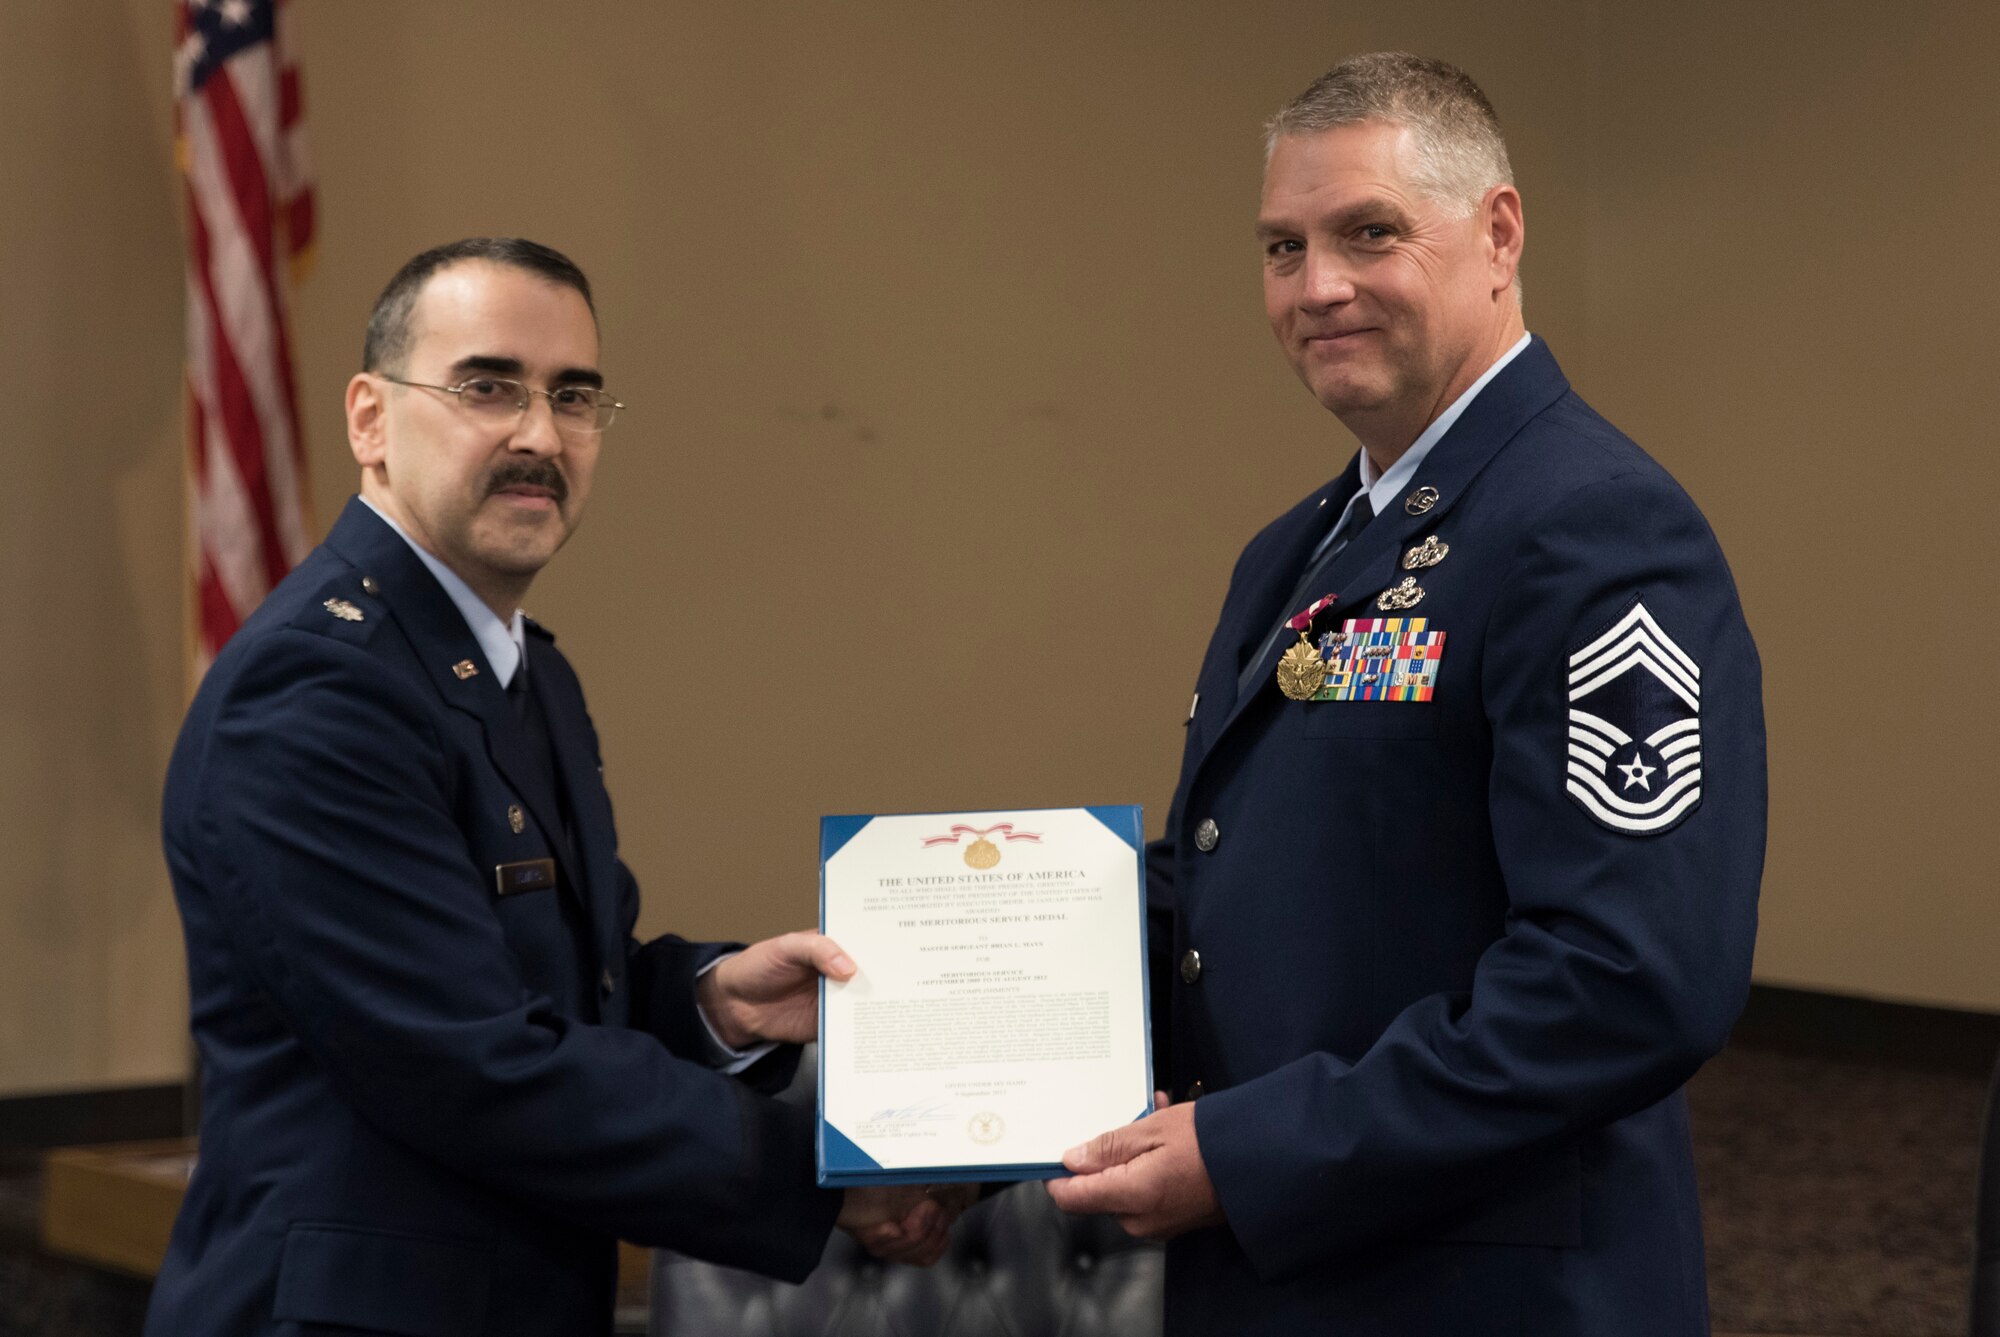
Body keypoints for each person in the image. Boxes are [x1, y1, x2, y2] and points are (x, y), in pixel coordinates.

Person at [1046, 54, 1765, 1336]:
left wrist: (1259, 1150)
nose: (1315, 286)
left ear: (1497, 234)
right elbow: (1237, 883)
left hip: (1484, 1286)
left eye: (1366, 232)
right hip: (1296, 1270)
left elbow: (1623, 980)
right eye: (1280, 248)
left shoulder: (1594, 528)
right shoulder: (1296, 548)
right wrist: (949, 992)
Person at [147, 238, 963, 1336]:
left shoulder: (521, 670)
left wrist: (711, 1004)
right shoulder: (316, 688)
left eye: (573, 396)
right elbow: (470, 1062)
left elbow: (547, 993)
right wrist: (826, 1179)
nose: (539, 433)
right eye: (487, 386)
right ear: (368, 419)